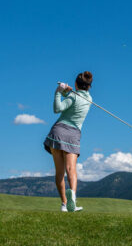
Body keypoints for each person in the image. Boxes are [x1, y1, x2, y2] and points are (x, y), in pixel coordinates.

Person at [44, 71, 93, 212]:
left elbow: (57, 108)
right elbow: (74, 101)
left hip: (58, 133)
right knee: (71, 169)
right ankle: (73, 197)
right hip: (73, 135)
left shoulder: (73, 96)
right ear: (89, 86)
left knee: (59, 172)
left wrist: (58, 92)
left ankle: (64, 204)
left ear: (77, 84)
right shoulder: (89, 99)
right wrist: (67, 92)